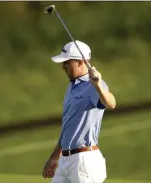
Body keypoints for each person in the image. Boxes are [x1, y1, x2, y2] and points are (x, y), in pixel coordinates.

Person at [42, 40, 116, 183]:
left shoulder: (93, 86)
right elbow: (69, 127)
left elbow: (111, 103)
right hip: (65, 160)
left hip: (84, 161)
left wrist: (98, 85)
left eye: (67, 62)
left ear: (80, 62)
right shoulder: (71, 87)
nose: (63, 66)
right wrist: (55, 156)